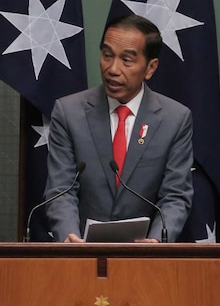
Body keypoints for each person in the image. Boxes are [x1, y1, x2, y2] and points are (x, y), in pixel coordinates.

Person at [44, 14, 194, 243]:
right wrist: (69, 238)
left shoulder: (175, 119)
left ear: (150, 68)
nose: (112, 69)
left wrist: (157, 242)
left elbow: (175, 196)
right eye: (107, 56)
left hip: (144, 261)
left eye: (127, 60)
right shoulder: (68, 112)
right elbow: (61, 189)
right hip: (80, 257)